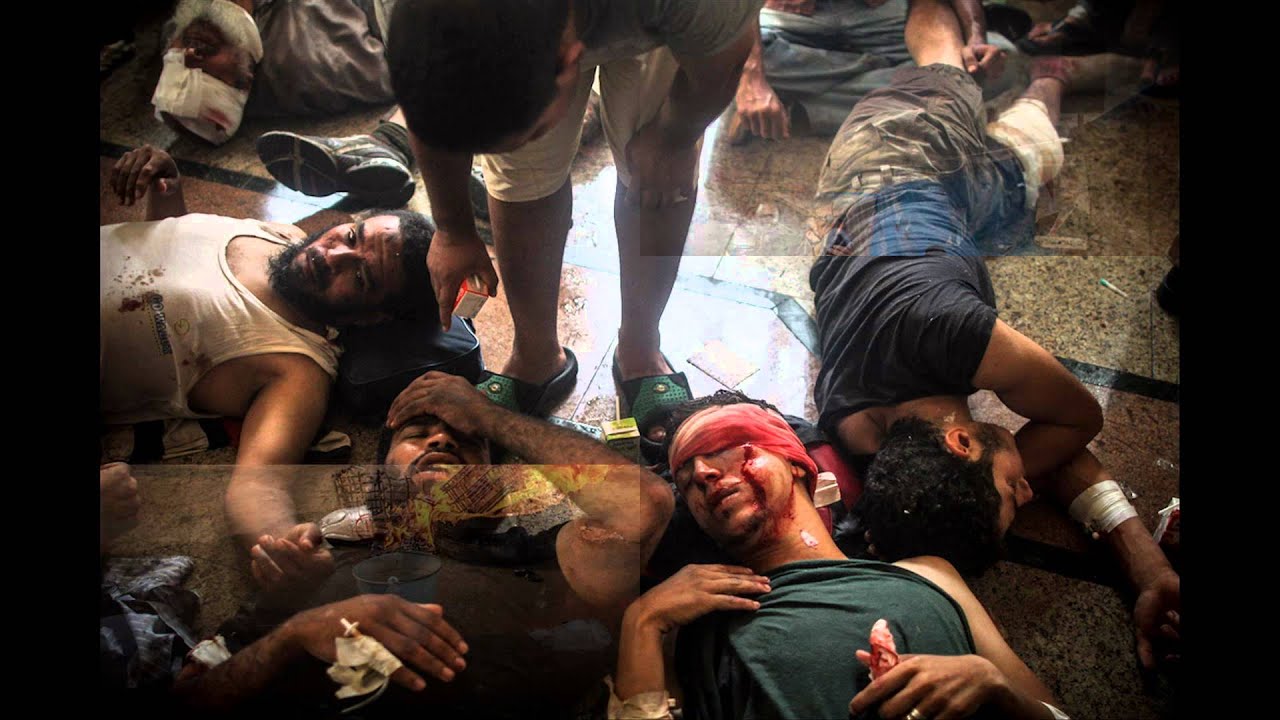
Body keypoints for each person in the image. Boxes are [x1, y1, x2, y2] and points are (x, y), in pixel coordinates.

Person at [806, 0, 1179, 669]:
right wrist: (1146, 566)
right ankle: (1048, 78)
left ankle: (957, 15)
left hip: (894, 157)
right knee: (1035, 158)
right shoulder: (874, 442)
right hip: (929, 218)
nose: (1027, 491)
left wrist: (996, 482)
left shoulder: (949, 330)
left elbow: (1079, 418)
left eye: (1015, 493)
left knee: (945, 67)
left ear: (958, 440)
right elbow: (1025, 451)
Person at [173, 371, 675, 712]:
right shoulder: (319, 560)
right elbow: (194, 697)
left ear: (500, 491)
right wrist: (297, 627)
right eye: (417, 433)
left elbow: (643, 503)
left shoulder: (540, 567)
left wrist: (488, 416)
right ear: (376, 479)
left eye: (466, 440)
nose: (441, 440)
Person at [380, 0, 765, 438]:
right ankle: (536, 355)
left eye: (529, 132)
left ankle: (640, 345)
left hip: (655, 19)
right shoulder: (410, 14)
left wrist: (673, 137)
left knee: (658, 176)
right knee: (523, 176)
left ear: (570, 60)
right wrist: (452, 229)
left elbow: (723, 59)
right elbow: (428, 103)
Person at [102, 144, 436, 595]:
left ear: (372, 317)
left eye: (359, 277)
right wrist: (167, 194)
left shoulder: (297, 368)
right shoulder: (281, 235)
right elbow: (166, 269)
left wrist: (285, 544)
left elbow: (257, 488)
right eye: (353, 236)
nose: (332, 255)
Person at [611, 392, 1069, 719]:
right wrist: (642, 622)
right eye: (687, 479)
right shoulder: (692, 632)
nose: (704, 473)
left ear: (795, 460)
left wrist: (995, 687)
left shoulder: (932, 576)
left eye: (723, 447)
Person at [729, 0, 1009, 144]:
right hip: (795, 18)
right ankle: (920, 98)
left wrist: (976, 38)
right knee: (734, 61)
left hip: (882, 16)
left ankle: (805, 112)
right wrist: (752, 76)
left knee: (992, 63)